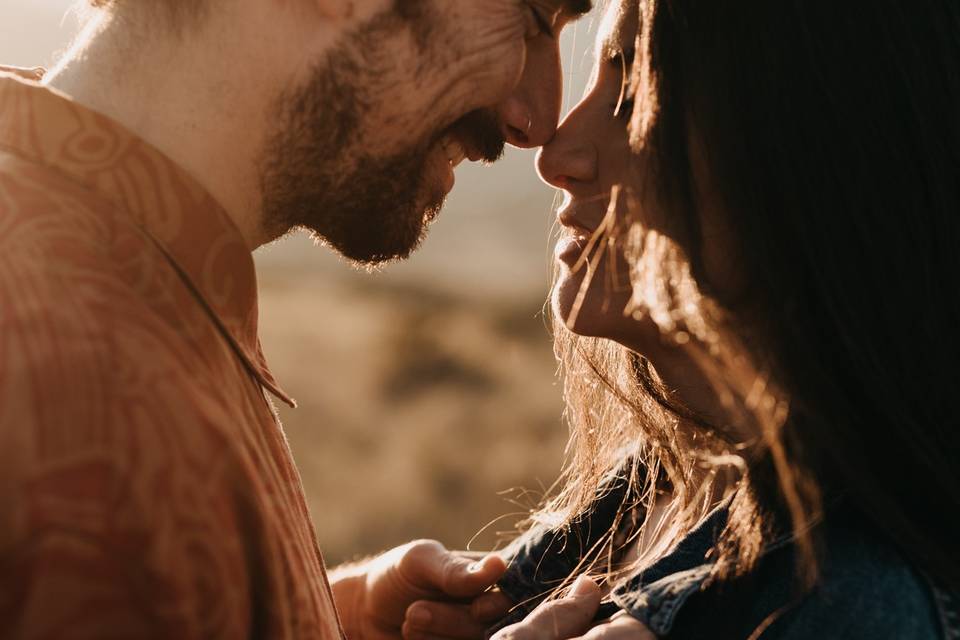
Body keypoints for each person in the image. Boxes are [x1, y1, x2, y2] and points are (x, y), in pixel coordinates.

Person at [0, 0, 590, 637]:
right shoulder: (73, 392)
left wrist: (320, 616)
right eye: (532, 20)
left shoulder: (127, 291)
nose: (536, 119)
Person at [400, 0, 960, 638]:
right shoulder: (638, 506)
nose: (558, 156)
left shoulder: (851, 608)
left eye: (636, 97)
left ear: (817, 159)